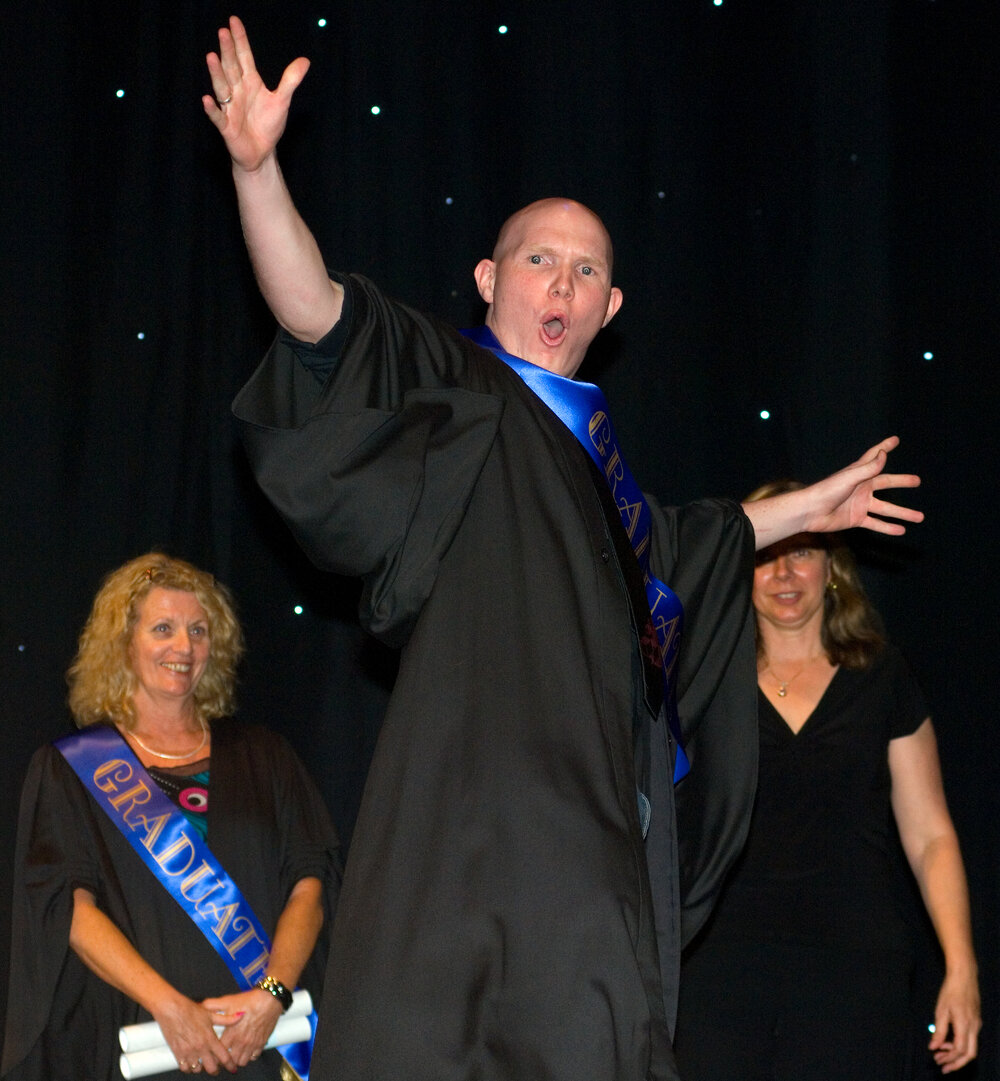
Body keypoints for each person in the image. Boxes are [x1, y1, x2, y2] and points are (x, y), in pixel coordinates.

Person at [203, 17, 924, 1080]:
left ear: (609, 307)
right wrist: (258, 173)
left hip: (590, 834)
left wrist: (811, 507)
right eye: (538, 259)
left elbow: (689, 544)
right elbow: (316, 314)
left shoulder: (604, 476)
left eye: (586, 271)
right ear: (489, 281)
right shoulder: (457, 391)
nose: (561, 282)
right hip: (469, 805)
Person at [674, 480, 980, 1081]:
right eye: (766, 556)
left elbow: (931, 836)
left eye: (804, 552)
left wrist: (962, 966)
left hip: (856, 970)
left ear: (833, 567)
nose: (785, 573)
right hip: (718, 966)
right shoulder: (704, 674)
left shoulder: (882, 675)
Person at [1, 553, 342, 1081]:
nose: (184, 648)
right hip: (144, 1044)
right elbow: (69, 908)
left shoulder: (266, 755)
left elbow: (309, 884)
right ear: (123, 644)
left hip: (265, 1038)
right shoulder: (70, 767)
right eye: (163, 628)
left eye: (199, 631)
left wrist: (272, 994)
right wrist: (171, 1007)